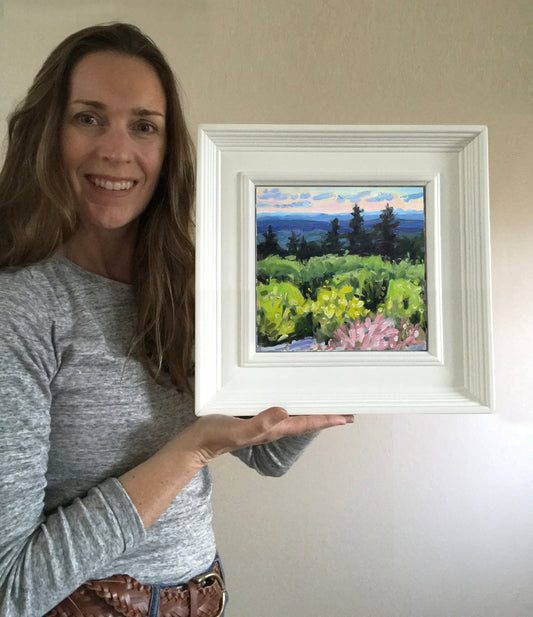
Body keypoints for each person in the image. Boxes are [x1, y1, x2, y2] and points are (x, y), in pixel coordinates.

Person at [0, 23, 353, 617]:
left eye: (144, 126)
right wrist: (188, 452)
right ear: (47, 131)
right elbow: (11, 588)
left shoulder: (187, 281)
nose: (117, 151)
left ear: (168, 151)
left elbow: (267, 454)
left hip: (205, 596)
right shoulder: (22, 308)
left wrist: (348, 350)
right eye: (88, 118)